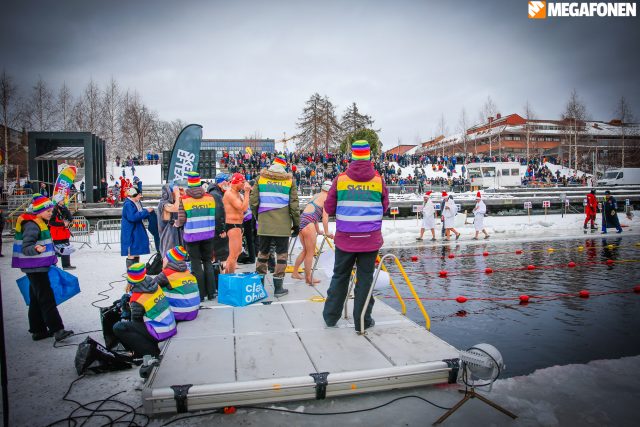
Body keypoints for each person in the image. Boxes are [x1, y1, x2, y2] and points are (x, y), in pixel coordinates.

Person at [322, 140, 389, 331]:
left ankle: (331, 317)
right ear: (369, 156)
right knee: (365, 279)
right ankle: (362, 321)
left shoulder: (341, 179)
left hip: (345, 239)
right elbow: (385, 207)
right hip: (370, 240)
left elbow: (329, 208)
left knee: (340, 276)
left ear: (351, 156)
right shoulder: (378, 180)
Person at [11, 193, 74, 341]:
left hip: (37, 266)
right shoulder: (32, 225)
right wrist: (36, 249)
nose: (51, 213)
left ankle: (38, 330)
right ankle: (57, 329)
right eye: (48, 211)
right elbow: (26, 247)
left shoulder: (39, 222)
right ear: (39, 211)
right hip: (35, 266)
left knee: (36, 297)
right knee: (47, 298)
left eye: (51, 210)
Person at [250, 154, 300, 297]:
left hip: (264, 223)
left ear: (272, 164)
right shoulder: (289, 181)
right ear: (284, 166)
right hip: (282, 225)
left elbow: (253, 201)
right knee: (282, 255)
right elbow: (294, 205)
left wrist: (258, 216)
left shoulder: (260, 178)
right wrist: (296, 224)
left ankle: (259, 288)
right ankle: (278, 288)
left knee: (263, 253)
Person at [112, 263, 177, 358]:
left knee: (119, 327)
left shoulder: (137, 298)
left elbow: (136, 322)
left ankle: (150, 352)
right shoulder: (154, 285)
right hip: (170, 325)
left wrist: (127, 310)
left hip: (160, 331)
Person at [175, 171, 217, 301]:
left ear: (189, 183)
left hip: (192, 236)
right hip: (208, 234)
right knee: (208, 262)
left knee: (196, 264)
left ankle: (201, 294)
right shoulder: (210, 198)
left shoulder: (185, 199)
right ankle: (211, 292)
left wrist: (177, 224)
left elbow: (182, 219)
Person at [292, 180, 333, 285]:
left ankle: (295, 272)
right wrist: (327, 232)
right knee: (310, 253)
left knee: (305, 250)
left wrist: (318, 230)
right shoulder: (327, 198)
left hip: (302, 221)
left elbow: (313, 214)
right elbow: (325, 217)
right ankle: (308, 278)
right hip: (309, 224)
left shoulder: (315, 196)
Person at [153, 246, 200, 321]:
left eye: (165, 257)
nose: (163, 259)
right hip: (193, 312)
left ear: (169, 260)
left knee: (155, 291)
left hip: (178, 313)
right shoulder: (188, 272)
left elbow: (150, 286)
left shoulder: (166, 274)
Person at [223, 173, 252, 273]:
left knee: (238, 252)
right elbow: (243, 208)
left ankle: (227, 275)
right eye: (242, 182)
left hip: (238, 224)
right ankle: (229, 277)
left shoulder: (237, 193)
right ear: (236, 182)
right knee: (233, 254)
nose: (244, 184)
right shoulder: (230, 194)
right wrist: (247, 193)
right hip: (232, 224)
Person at [121, 187, 154, 268]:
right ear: (134, 195)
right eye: (139, 195)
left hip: (136, 229)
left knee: (136, 250)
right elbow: (132, 217)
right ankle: (131, 271)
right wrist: (146, 211)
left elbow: (140, 212)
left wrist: (147, 213)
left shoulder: (137, 202)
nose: (140, 196)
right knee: (131, 251)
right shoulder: (128, 204)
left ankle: (136, 270)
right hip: (131, 230)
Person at [49, 194, 76, 269]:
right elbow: (51, 222)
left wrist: (70, 221)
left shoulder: (64, 208)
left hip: (64, 232)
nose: (63, 201)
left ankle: (66, 265)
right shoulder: (54, 210)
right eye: (62, 199)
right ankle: (53, 266)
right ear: (58, 201)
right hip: (57, 234)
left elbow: (70, 217)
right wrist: (62, 224)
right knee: (56, 251)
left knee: (67, 249)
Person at [157, 183, 182, 255]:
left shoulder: (175, 202)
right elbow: (176, 208)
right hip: (168, 239)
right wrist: (177, 193)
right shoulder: (163, 203)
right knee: (170, 259)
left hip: (177, 238)